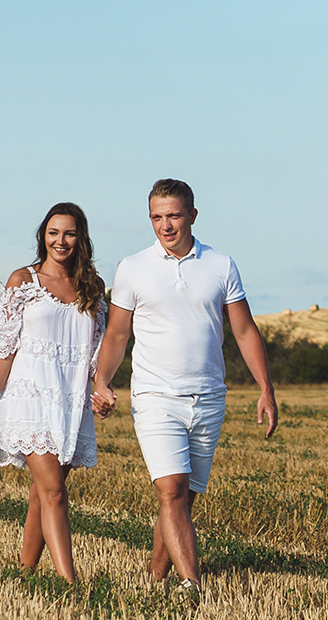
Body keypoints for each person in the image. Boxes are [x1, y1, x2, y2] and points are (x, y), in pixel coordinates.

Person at [91, 178, 278, 598]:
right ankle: (191, 583)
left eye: (174, 215)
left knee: (183, 500)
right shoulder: (132, 267)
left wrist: (266, 389)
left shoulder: (221, 265)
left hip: (209, 396)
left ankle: (156, 580)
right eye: (157, 217)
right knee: (171, 489)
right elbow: (117, 334)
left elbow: (245, 330)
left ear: (192, 215)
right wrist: (102, 380)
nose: (166, 225)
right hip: (155, 396)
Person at [0, 202, 109, 585]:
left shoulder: (93, 288)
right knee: (55, 492)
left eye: (69, 233)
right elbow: (4, 350)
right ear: (43, 236)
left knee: (42, 493)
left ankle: (25, 573)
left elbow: (98, 353)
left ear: (81, 238)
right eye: (53, 233)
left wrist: (103, 389)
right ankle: (69, 583)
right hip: (28, 397)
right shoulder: (22, 281)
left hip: (70, 402)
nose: (60, 241)